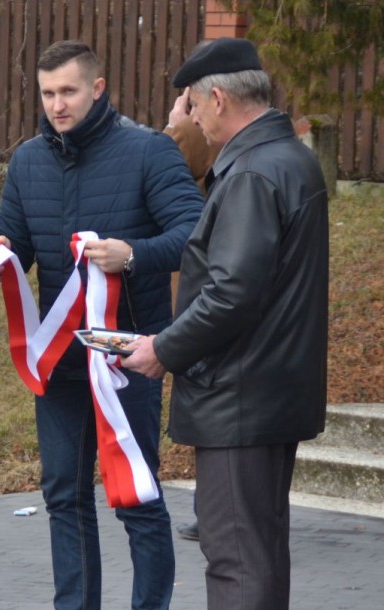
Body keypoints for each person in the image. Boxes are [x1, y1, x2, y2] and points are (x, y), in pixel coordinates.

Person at [123, 38, 329, 610]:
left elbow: (232, 291)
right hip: (268, 385)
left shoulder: (251, 172)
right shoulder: (285, 158)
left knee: (236, 552)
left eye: (188, 105)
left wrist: (163, 348)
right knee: (259, 548)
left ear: (216, 98)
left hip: (241, 390)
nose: (188, 120)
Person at [0, 40, 203, 610]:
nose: (57, 105)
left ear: (98, 88)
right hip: (58, 361)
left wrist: (132, 254)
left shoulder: (150, 151)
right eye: (47, 93)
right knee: (63, 495)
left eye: (69, 91)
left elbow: (197, 234)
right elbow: (13, 241)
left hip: (127, 358)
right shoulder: (28, 160)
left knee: (136, 498)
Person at [164, 85, 222, 544]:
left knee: (208, 398)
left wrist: (175, 128)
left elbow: (166, 166)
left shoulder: (195, 133)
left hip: (200, 289)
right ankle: (214, 508)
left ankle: (214, 510)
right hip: (207, 283)